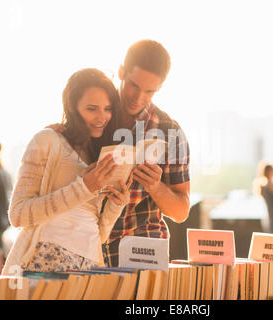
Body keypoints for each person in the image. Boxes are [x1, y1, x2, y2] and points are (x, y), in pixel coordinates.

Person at [2, 68, 132, 275]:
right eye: (92, 109)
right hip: (45, 260)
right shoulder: (47, 140)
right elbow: (18, 214)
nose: (102, 117)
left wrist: (115, 206)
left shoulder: (99, 153)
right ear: (72, 107)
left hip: (90, 265)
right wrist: (84, 188)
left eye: (107, 109)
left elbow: (98, 235)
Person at [103, 39, 191, 267]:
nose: (138, 97)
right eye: (133, 85)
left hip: (142, 256)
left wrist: (155, 186)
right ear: (121, 72)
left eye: (149, 91)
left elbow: (181, 211)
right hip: (89, 249)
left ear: (160, 88)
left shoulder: (169, 131)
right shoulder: (93, 114)